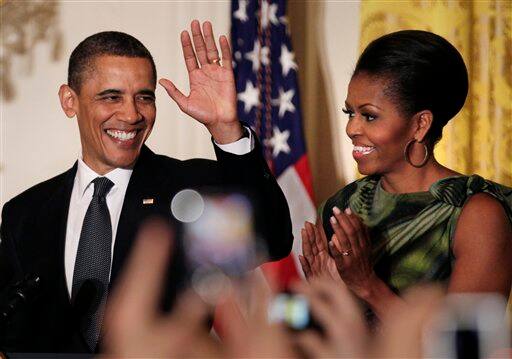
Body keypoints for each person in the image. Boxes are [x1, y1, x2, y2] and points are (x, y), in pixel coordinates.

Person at [0, 20, 292, 353]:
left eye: (144, 97)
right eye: (111, 97)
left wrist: (227, 130)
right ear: (70, 101)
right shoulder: (24, 214)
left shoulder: (191, 193)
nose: (132, 114)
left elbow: (270, 239)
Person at [299, 30, 512, 321]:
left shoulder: (476, 215)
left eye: (369, 115)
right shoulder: (344, 206)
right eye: (349, 113)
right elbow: (310, 332)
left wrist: (367, 286)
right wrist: (324, 302)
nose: (351, 129)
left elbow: (461, 347)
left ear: (420, 125)